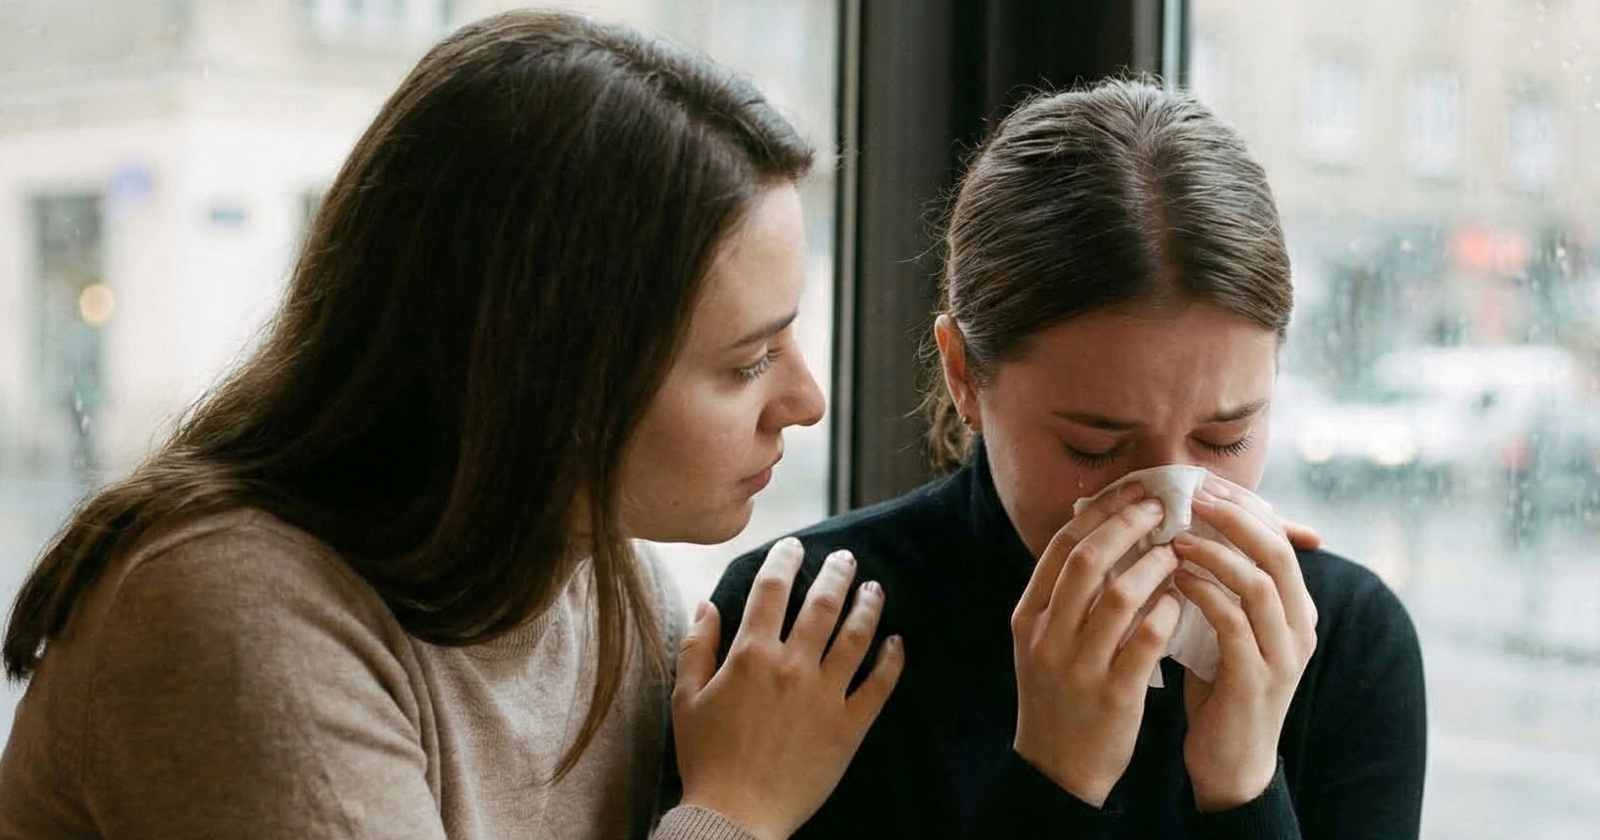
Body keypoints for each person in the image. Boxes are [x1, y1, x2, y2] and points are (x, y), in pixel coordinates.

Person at [0, 11, 902, 840]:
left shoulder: (612, 586)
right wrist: (736, 809)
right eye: (747, 363)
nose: (806, 400)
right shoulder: (229, 613)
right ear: (550, 375)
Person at [709, 79, 1427, 839]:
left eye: (1225, 439)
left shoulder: (1343, 640)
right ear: (964, 375)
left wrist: (1245, 785)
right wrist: (1056, 779)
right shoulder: (804, 634)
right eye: (1095, 446)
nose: (1167, 502)